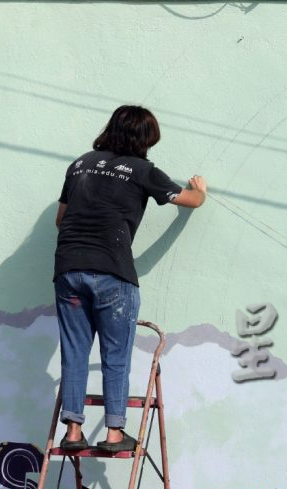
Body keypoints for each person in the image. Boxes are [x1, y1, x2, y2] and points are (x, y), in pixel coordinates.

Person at [53, 105, 206, 453]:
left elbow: (61, 220)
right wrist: (199, 190)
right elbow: (188, 200)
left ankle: (73, 432)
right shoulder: (142, 170)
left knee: (74, 351)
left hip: (69, 269)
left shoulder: (79, 165)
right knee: (115, 354)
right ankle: (114, 434)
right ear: (143, 139)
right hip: (112, 271)